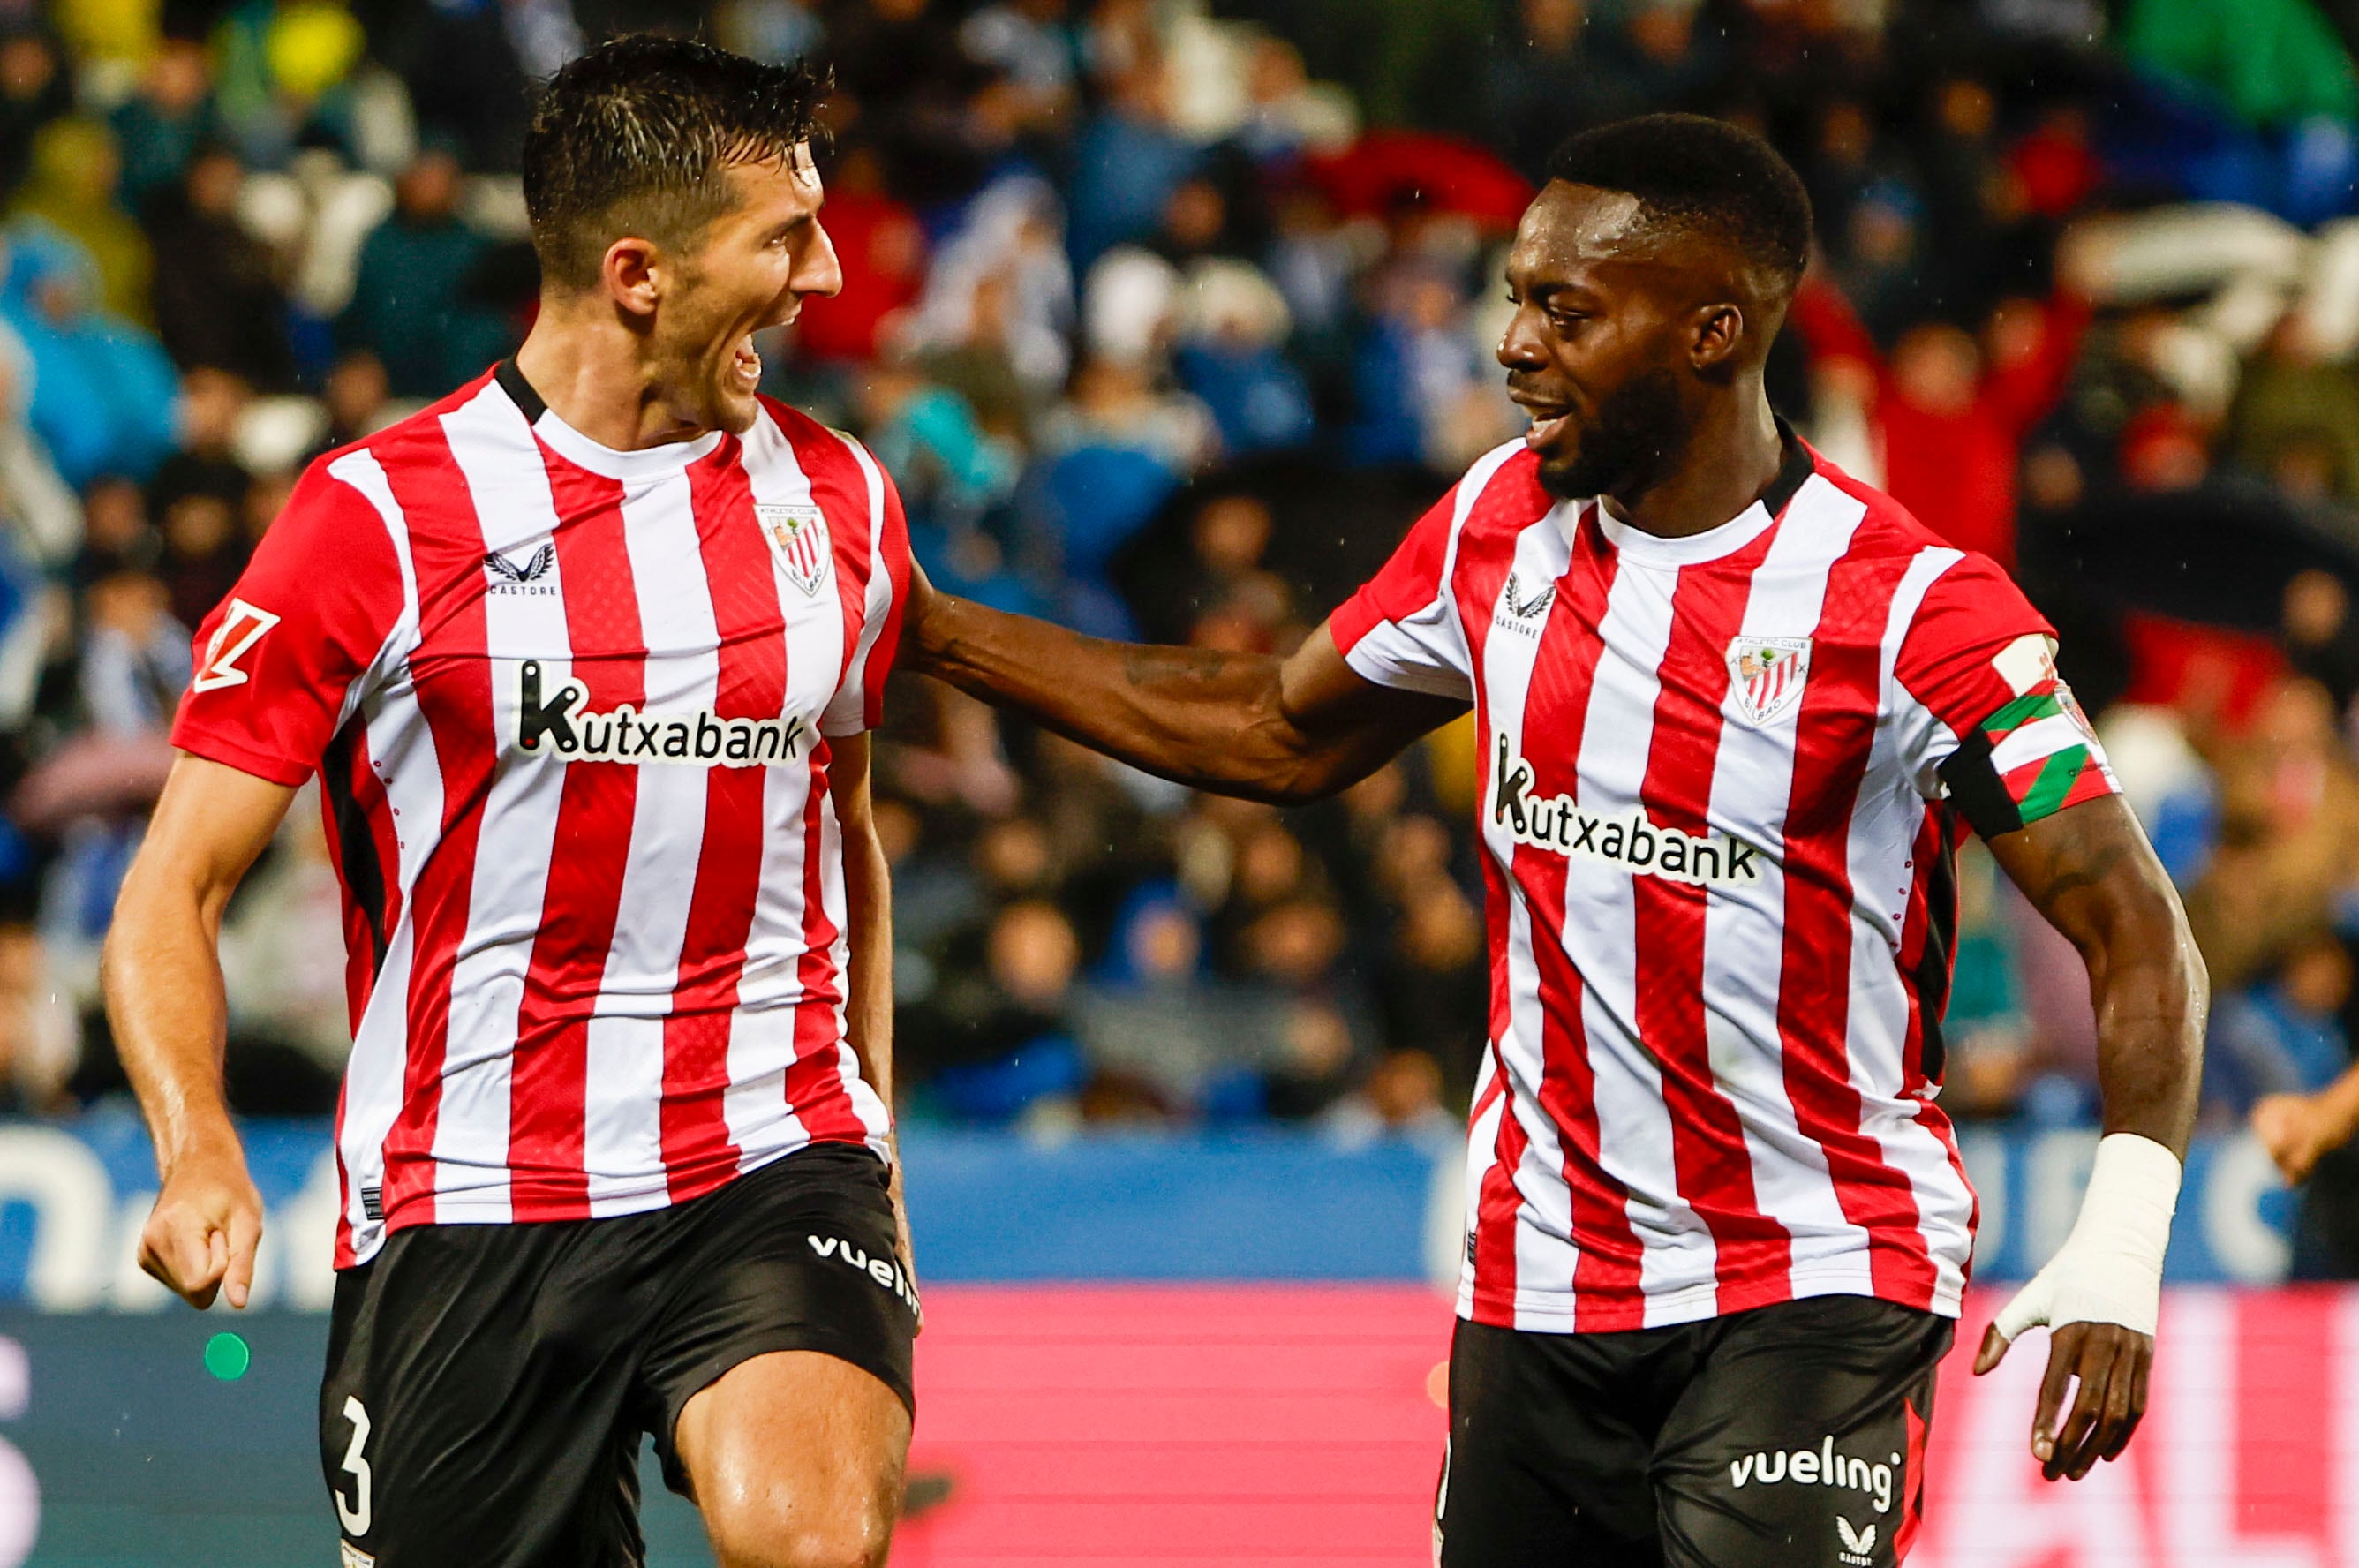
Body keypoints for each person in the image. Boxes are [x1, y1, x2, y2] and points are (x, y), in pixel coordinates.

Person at [903, 115, 2206, 1566]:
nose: (1513, 343)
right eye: (1516, 296)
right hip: (1539, 1286)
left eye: (1563, 309)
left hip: (1814, 1274)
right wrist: (941, 630)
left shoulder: (1914, 610)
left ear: (1713, 331)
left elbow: (2132, 919)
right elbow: (1275, 727)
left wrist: (2126, 1234)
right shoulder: (1496, 525)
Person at [102, 37, 919, 1568]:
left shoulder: (839, 500)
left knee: (811, 1541)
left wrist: (873, 1147)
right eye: (780, 238)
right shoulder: (376, 521)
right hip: (467, 1190)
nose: (820, 277)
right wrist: (195, 1139)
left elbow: (846, 841)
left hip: (764, 1152)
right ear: (637, 273)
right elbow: (174, 884)